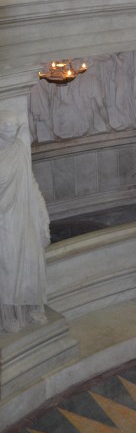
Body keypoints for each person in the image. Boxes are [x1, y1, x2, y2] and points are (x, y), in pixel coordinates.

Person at [0, 111, 50, 333]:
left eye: (13, 128)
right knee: (8, 267)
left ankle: (30, 308)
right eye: (6, 129)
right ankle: (10, 314)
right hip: (4, 220)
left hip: (23, 215)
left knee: (30, 262)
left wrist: (42, 214)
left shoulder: (20, 149)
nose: (11, 132)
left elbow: (30, 181)